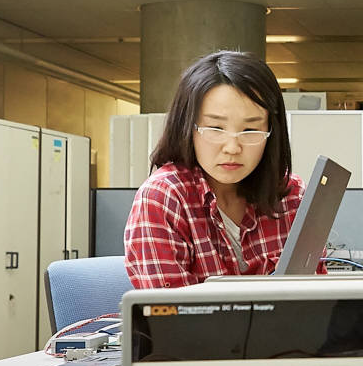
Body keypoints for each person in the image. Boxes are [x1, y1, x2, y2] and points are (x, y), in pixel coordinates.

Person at [124, 49, 320, 288]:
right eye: (215, 128)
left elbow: (316, 298)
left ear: (272, 133)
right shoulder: (164, 197)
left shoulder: (292, 196)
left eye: (250, 130)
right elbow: (169, 318)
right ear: (188, 127)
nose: (232, 147)